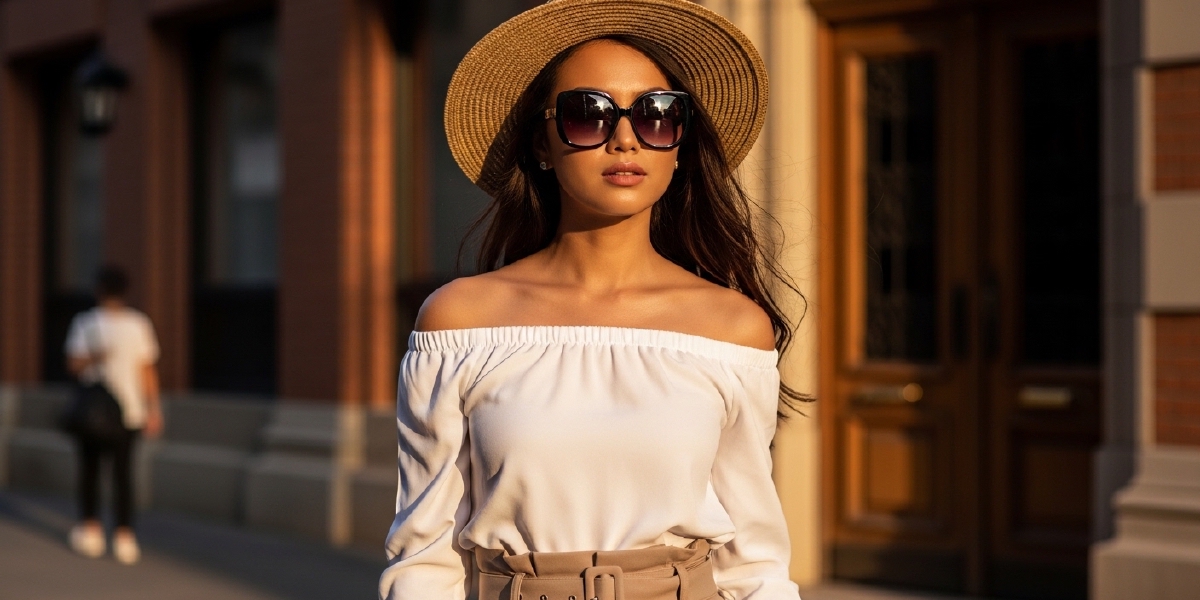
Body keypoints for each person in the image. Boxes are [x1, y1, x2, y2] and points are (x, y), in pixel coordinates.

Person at [380, 1, 807, 598]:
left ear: (679, 145)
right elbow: (424, 557)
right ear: (542, 145)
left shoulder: (732, 329)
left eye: (658, 115)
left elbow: (754, 563)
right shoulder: (461, 322)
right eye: (589, 114)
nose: (626, 138)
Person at [63, 264, 163, 565]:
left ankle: (91, 529)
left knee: (90, 470)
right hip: (129, 411)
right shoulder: (139, 324)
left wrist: (95, 357)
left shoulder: (85, 323)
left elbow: (73, 366)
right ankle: (124, 536)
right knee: (124, 475)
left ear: (99, 291)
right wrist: (153, 409)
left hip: (92, 411)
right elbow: (147, 370)